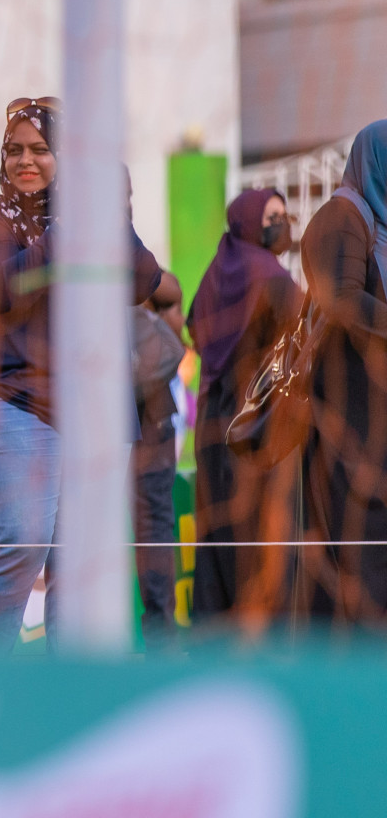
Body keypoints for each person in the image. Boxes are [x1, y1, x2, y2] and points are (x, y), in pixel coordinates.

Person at [0, 98, 162, 653]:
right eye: (15, 149)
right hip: (12, 399)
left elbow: (144, 279)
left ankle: (65, 701)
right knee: (21, 542)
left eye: (41, 150)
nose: (27, 161)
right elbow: (0, 290)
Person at [186, 189, 301, 625]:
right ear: (250, 221)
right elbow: (306, 325)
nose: (281, 223)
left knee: (216, 528)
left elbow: (195, 325)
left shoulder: (217, 270)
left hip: (214, 418)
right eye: (272, 216)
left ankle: (210, 626)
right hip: (257, 423)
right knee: (258, 528)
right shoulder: (269, 271)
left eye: (284, 215)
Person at [299, 121, 387, 627]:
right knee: (358, 558)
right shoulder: (341, 217)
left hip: (377, 423)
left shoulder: (379, 226)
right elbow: (344, 299)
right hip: (350, 425)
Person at [130, 272, 187, 647]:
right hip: (134, 422)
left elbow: (171, 287)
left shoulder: (137, 269)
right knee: (152, 527)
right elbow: (168, 289)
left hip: (152, 418)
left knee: (155, 527)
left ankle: (160, 629)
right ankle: (157, 630)